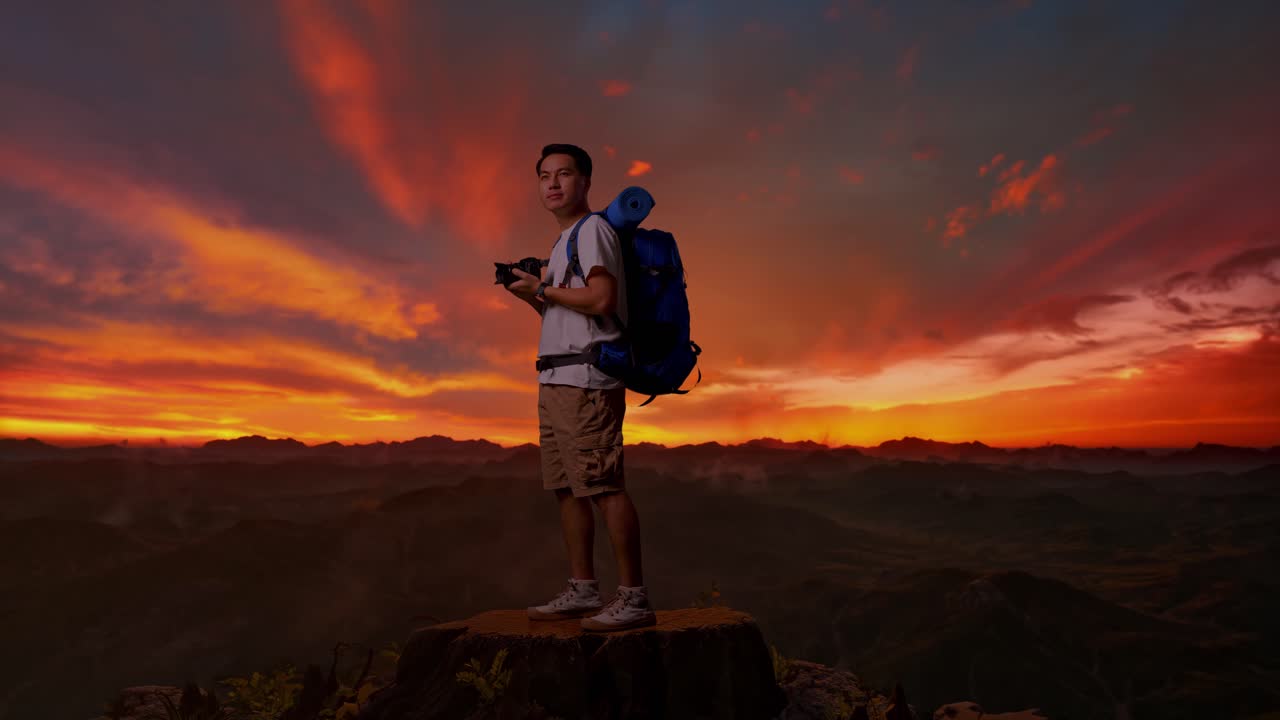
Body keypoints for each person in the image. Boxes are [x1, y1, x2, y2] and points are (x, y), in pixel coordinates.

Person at [503, 143, 656, 632]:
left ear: (585, 181)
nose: (552, 183)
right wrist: (533, 293)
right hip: (556, 377)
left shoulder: (593, 230)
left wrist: (544, 289)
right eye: (544, 175)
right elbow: (564, 309)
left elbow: (603, 296)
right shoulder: (563, 240)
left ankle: (632, 598)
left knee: (605, 487)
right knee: (568, 489)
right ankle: (584, 589)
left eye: (564, 174)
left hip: (587, 380)